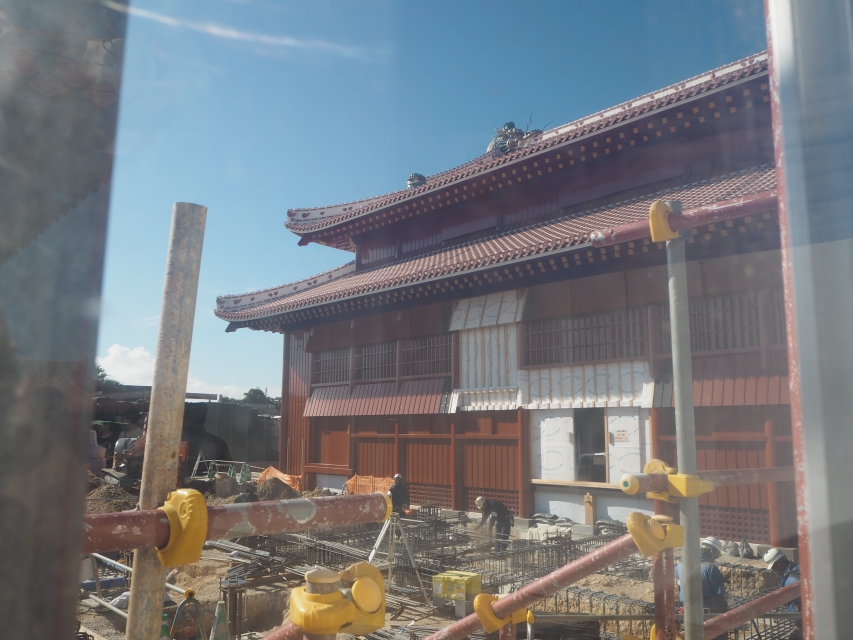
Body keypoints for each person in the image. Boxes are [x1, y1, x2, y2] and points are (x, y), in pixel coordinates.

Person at [675, 537, 728, 639]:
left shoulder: (680, 566)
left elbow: (680, 587)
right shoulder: (711, 568)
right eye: (716, 555)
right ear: (712, 551)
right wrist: (725, 614)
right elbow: (719, 596)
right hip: (707, 615)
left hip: (687, 614)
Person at [764, 548, 802, 640]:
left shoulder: (791, 581)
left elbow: (803, 604)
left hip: (803, 620)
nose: (774, 571)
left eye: (773, 568)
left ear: (779, 565)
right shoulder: (796, 568)